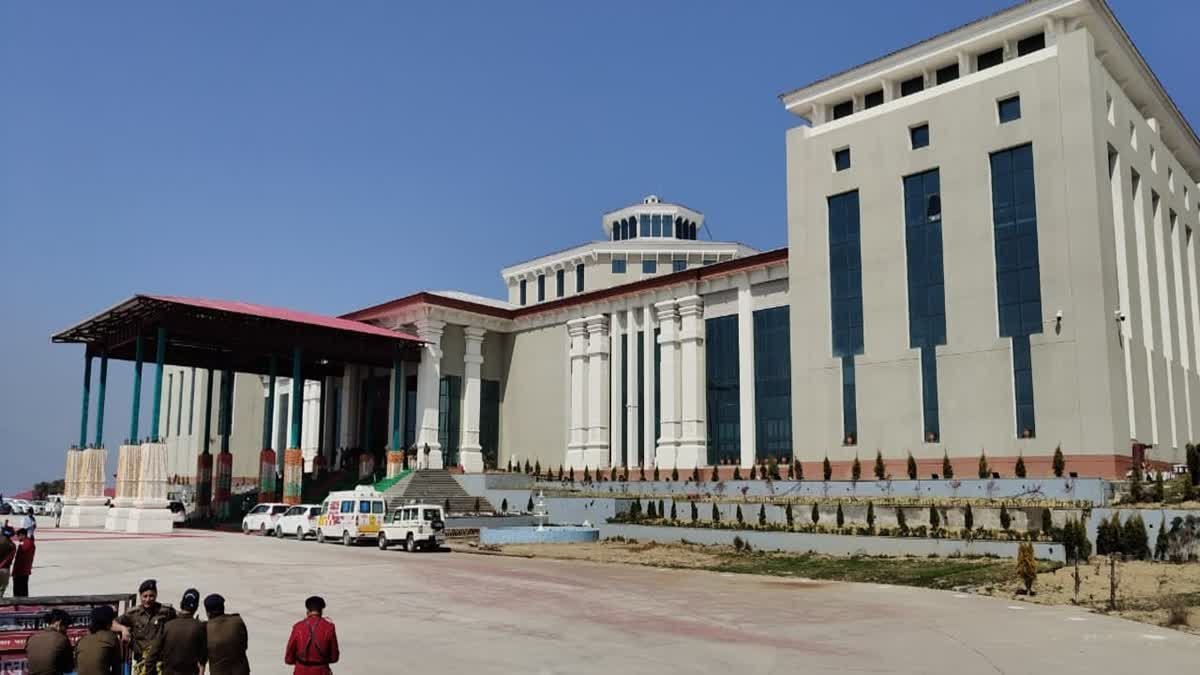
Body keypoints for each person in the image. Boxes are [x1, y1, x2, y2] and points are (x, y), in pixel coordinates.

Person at [117, 579, 177, 675]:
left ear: (156, 595)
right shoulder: (133, 614)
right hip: (141, 663)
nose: (148, 599)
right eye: (145, 596)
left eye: (151, 596)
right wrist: (122, 629)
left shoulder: (166, 612)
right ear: (140, 596)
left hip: (161, 663)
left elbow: (182, 621)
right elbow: (112, 623)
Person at [284, 596, 340, 675]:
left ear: (307, 610)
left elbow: (288, 658)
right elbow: (334, 657)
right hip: (321, 671)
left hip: (301, 671)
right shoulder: (329, 627)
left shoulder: (298, 627)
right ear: (321, 611)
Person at [160, 588, 207, 675]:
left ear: (181, 604)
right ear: (196, 607)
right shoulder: (199, 627)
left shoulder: (167, 625)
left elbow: (154, 653)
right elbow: (202, 659)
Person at [204, 594, 249, 675]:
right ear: (223, 608)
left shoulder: (206, 628)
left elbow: (203, 656)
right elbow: (244, 645)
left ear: (208, 613)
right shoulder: (237, 621)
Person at [24, 608, 75, 675]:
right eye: (66, 627)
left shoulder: (32, 638)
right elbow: (69, 668)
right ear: (59, 623)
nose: (66, 630)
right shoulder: (62, 638)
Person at [75, 605, 123, 675]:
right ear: (108, 623)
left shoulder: (82, 640)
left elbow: (77, 666)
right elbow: (117, 669)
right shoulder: (111, 637)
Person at [11, 528, 35, 597]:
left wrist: (14, 572)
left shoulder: (24, 545)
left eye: (18, 536)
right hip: (25, 571)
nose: (17, 538)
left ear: (23, 535)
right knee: (24, 591)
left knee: (18, 592)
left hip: (20, 572)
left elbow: (19, 560)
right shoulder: (30, 543)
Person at [0, 526, 14, 598]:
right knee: (1, 592)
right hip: (5, 569)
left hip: (3, 568)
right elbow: (9, 558)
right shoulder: (12, 545)